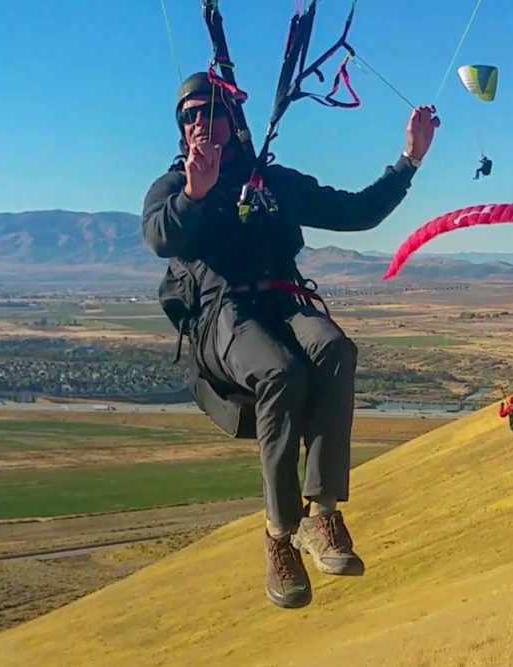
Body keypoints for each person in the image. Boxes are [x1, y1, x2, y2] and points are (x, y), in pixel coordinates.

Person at [142, 72, 440, 610]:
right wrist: (195, 192)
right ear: (180, 129)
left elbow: (357, 212)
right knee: (280, 370)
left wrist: (409, 160)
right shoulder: (174, 186)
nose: (200, 123)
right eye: (189, 116)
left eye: (210, 112)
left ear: (233, 121)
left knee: (335, 351)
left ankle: (322, 514)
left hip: (283, 301)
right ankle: (280, 534)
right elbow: (162, 236)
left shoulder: (273, 183)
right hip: (223, 317)